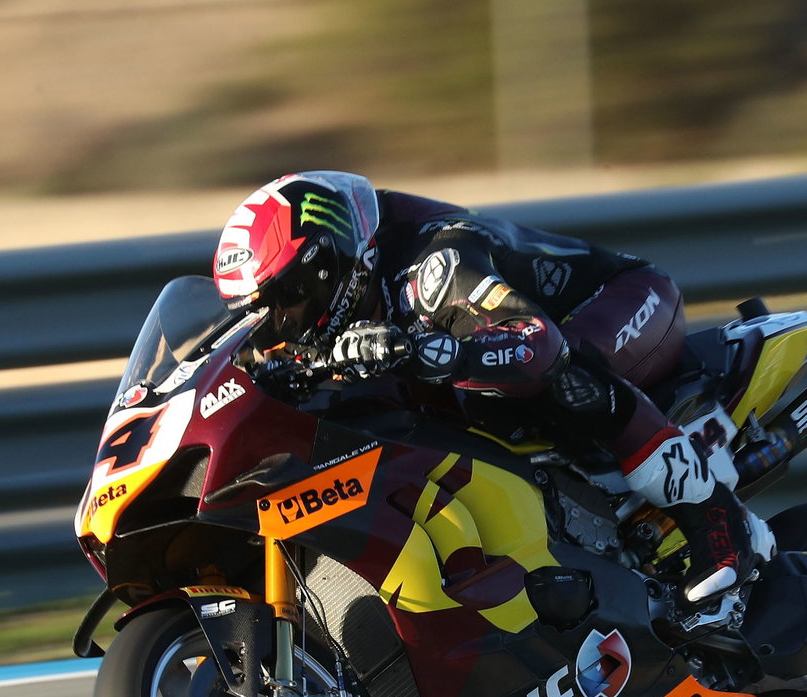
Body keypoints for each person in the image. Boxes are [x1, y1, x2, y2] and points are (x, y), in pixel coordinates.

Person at [213, 171, 773, 609]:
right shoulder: (319, 315)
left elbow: (536, 344)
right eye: (264, 316)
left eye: (287, 300)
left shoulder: (436, 262)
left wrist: (422, 350)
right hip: (509, 343)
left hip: (622, 302)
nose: (281, 324)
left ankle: (713, 517)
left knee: (558, 370)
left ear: (332, 262)